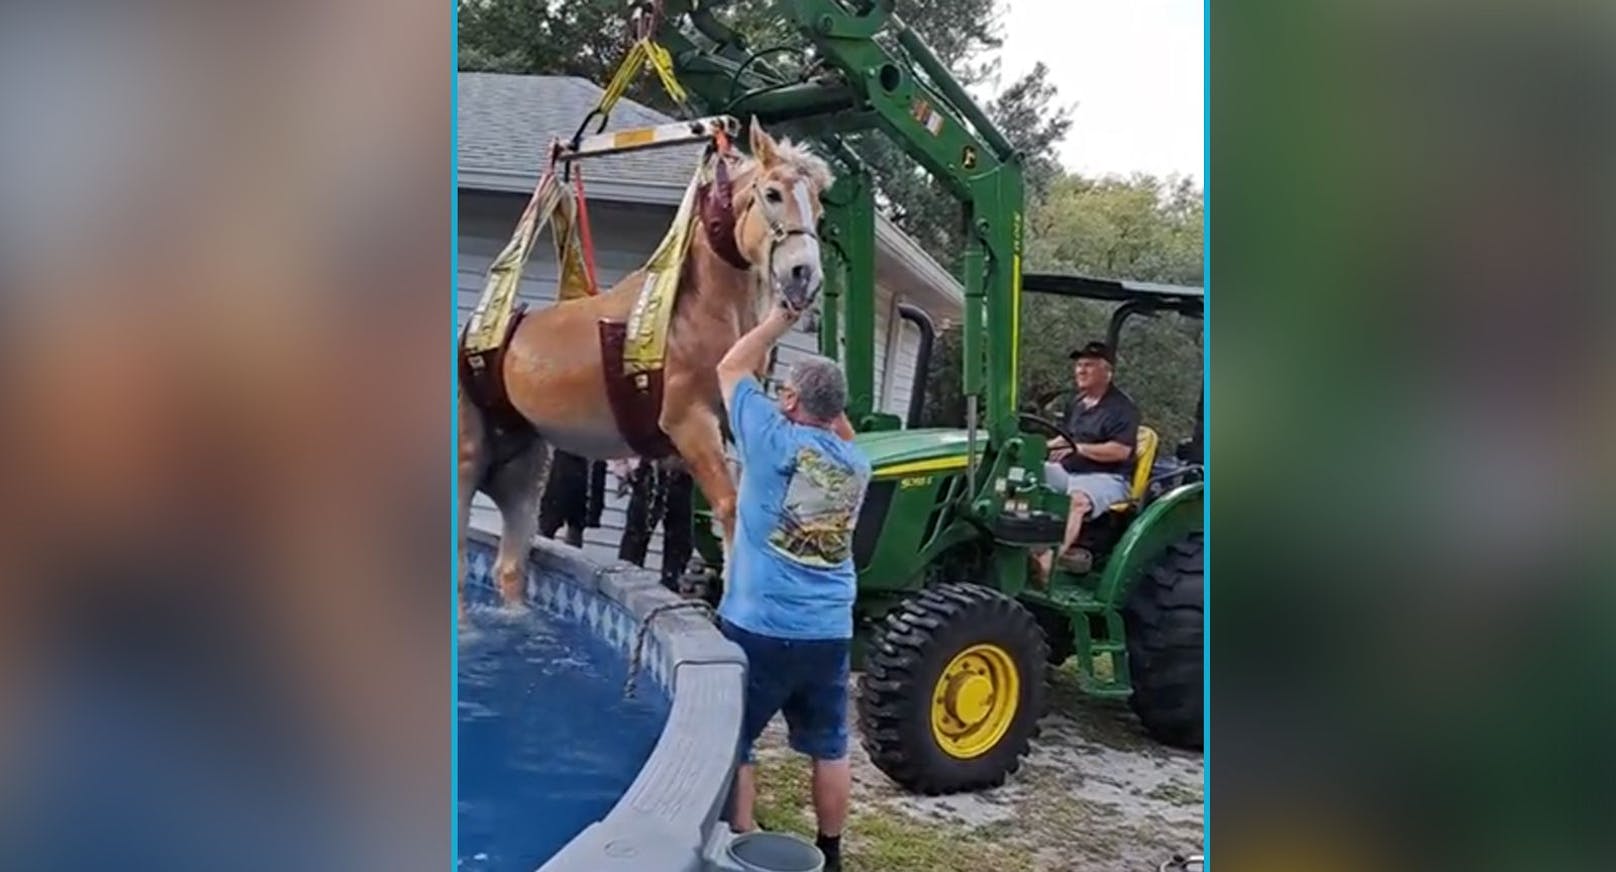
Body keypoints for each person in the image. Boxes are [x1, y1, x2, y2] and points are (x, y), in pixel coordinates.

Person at [713, 300, 868, 872]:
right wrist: (824, 404)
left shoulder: (770, 439)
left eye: (785, 390)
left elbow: (730, 367)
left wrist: (782, 318)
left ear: (789, 401)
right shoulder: (857, 463)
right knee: (829, 747)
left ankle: (743, 837)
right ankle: (831, 853)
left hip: (759, 626)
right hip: (828, 630)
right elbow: (838, 426)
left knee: (737, 738)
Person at [1036, 340, 1140, 580]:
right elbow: (1065, 439)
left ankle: (1045, 564)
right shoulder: (1077, 402)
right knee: (1023, 473)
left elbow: (1120, 451)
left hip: (1107, 477)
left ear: (1107, 372)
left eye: (1089, 366)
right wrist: (1038, 447)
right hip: (1069, 472)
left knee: (1077, 501)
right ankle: (1020, 544)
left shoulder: (1123, 408)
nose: (1080, 371)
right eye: (1079, 365)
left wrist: (1079, 449)